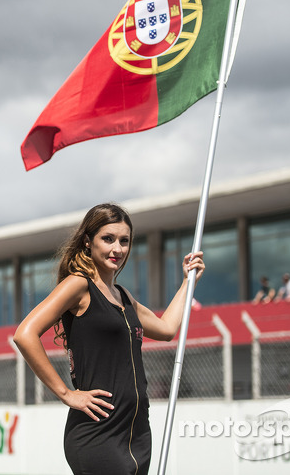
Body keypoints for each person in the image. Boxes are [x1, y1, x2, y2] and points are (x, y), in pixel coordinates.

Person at [13, 203, 205, 475]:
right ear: (88, 242)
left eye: (124, 241)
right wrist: (67, 394)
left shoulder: (124, 297)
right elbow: (25, 334)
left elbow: (166, 329)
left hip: (137, 433)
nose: (118, 248)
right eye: (108, 239)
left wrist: (188, 282)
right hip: (97, 432)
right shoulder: (78, 285)